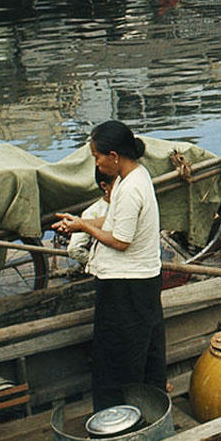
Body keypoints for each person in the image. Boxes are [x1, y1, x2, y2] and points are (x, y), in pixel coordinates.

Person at [52, 120, 165, 411]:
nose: (97, 163)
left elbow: (119, 240)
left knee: (117, 359)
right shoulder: (135, 177)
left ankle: (120, 420)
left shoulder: (129, 189)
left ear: (114, 156)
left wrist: (85, 229)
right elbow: (114, 220)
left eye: (97, 157)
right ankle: (149, 410)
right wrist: (80, 223)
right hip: (139, 283)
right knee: (144, 352)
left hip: (127, 287)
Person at [66, 168, 115, 269]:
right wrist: (98, 264)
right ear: (104, 186)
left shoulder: (130, 204)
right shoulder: (92, 213)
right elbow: (74, 249)